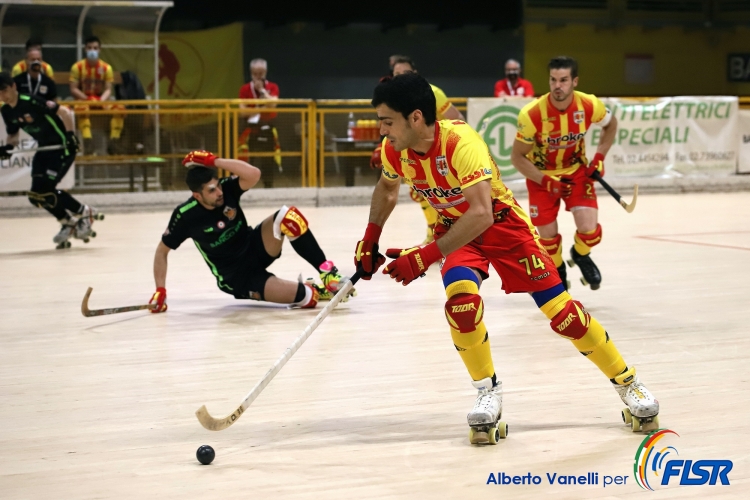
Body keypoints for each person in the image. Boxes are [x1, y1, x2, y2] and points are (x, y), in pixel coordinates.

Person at [354, 73, 658, 444]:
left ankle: (629, 383)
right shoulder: (394, 151)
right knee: (462, 306)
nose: (382, 131)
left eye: (387, 121)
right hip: (459, 235)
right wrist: (371, 237)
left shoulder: (461, 143)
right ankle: (487, 392)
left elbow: (481, 213)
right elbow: (386, 188)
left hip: (503, 228)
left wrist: (423, 258)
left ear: (415, 117)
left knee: (565, 316)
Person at [150, 150, 354, 312]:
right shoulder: (185, 215)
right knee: (309, 298)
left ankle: (328, 275)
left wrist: (214, 160)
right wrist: (160, 290)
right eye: (211, 191)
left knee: (288, 217)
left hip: (253, 247)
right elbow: (162, 251)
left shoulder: (227, 190)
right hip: (237, 277)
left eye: (218, 185)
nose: (219, 193)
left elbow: (254, 174)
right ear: (197, 195)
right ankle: (314, 289)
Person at [511, 56, 617, 291]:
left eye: (564, 80)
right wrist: (546, 181)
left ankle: (579, 255)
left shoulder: (589, 104)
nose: (557, 85)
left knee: (590, 231)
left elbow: (611, 124)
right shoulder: (531, 114)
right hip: (541, 178)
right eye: (553, 80)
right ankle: (558, 269)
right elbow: (517, 157)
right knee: (547, 239)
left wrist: (599, 157)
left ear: (574, 81)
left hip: (576, 173)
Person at [370, 55, 464, 245]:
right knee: (421, 193)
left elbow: (457, 118)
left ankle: (453, 235)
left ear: (415, 74)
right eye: (397, 74)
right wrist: (382, 147)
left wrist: (449, 142)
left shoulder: (434, 93)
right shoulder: (392, 100)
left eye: (406, 73)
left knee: (446, 195)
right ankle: (435, 233)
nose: (401, 77)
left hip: (438, 152)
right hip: (411, 153)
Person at [0, 72, 100, 249]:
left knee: (46, 189)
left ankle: (86, 212)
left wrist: (70, 136)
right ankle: (67, 222)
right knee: (35, 196)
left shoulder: (31, 101)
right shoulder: (6, 111)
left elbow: (65, 112)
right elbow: (13, 134)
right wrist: (8, 148)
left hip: (62, 148)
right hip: (44, 149)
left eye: (4, 90)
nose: (2, 96)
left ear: (14, 86)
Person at [69, 36, 124, 150]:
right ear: (85, 49)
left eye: (95, 48)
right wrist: (86, 99)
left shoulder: (106, 68)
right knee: (81, 108)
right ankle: (88, 141)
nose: (92, 51)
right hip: (83, 100)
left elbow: (108, 89)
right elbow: (73, 89)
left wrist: (101, 101)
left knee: (120, 108)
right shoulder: (77, 67)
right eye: (89, 48)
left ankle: (114, 140)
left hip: (100, 100)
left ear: (99, 49)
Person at [238, 58, 282, 188]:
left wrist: (262, 91)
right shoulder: (245, 89)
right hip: (250, 127)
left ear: (265, 72)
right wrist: (262, 108)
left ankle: (268, 185)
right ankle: (244, 185)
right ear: (251, 73)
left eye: (261, 73)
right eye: (255, 73)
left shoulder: (272, 87)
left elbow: (273, 104)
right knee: (247, 157)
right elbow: (242, 112)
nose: (258, 76)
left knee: (268, 158)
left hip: (267, 126)